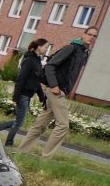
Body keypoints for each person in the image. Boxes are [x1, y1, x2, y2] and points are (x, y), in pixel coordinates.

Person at [16, 28, 98, 159]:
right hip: (56, 91)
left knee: (40, 125)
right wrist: (54, 85)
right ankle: (46, 158)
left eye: (94, 36)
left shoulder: (84, 53)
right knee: (63, 126)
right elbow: (50, 66)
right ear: (83, 35)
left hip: (61, 91)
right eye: (89, 34)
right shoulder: (71, 48)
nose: (91, 37)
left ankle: (21, 153)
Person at [0, 38, 48, 147]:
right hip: (23, 95)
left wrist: (42, 97)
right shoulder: (30, 60)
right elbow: (21, 78)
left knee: (19, 120)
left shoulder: (37, 60)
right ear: (39, 47)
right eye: (45, 47)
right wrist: (16, 97)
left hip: (28, 95)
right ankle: (9, 142)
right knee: (20, 121)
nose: (46, 49)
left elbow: (37, 81)